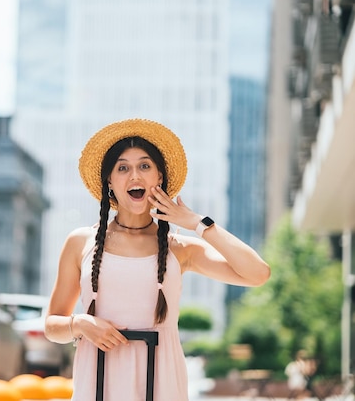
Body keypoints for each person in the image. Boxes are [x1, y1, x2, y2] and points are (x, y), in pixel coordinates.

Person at [44, 118, 271, 401]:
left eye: (145, 166)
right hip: (98, 384)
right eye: (123, 168)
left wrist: (198, 224)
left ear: (159, 177)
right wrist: (80, 324)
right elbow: (52, 325)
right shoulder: (81, 242)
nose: (135, 176)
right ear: (110, 182)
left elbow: (258, 273)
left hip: (162, 385)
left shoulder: (179, 248)